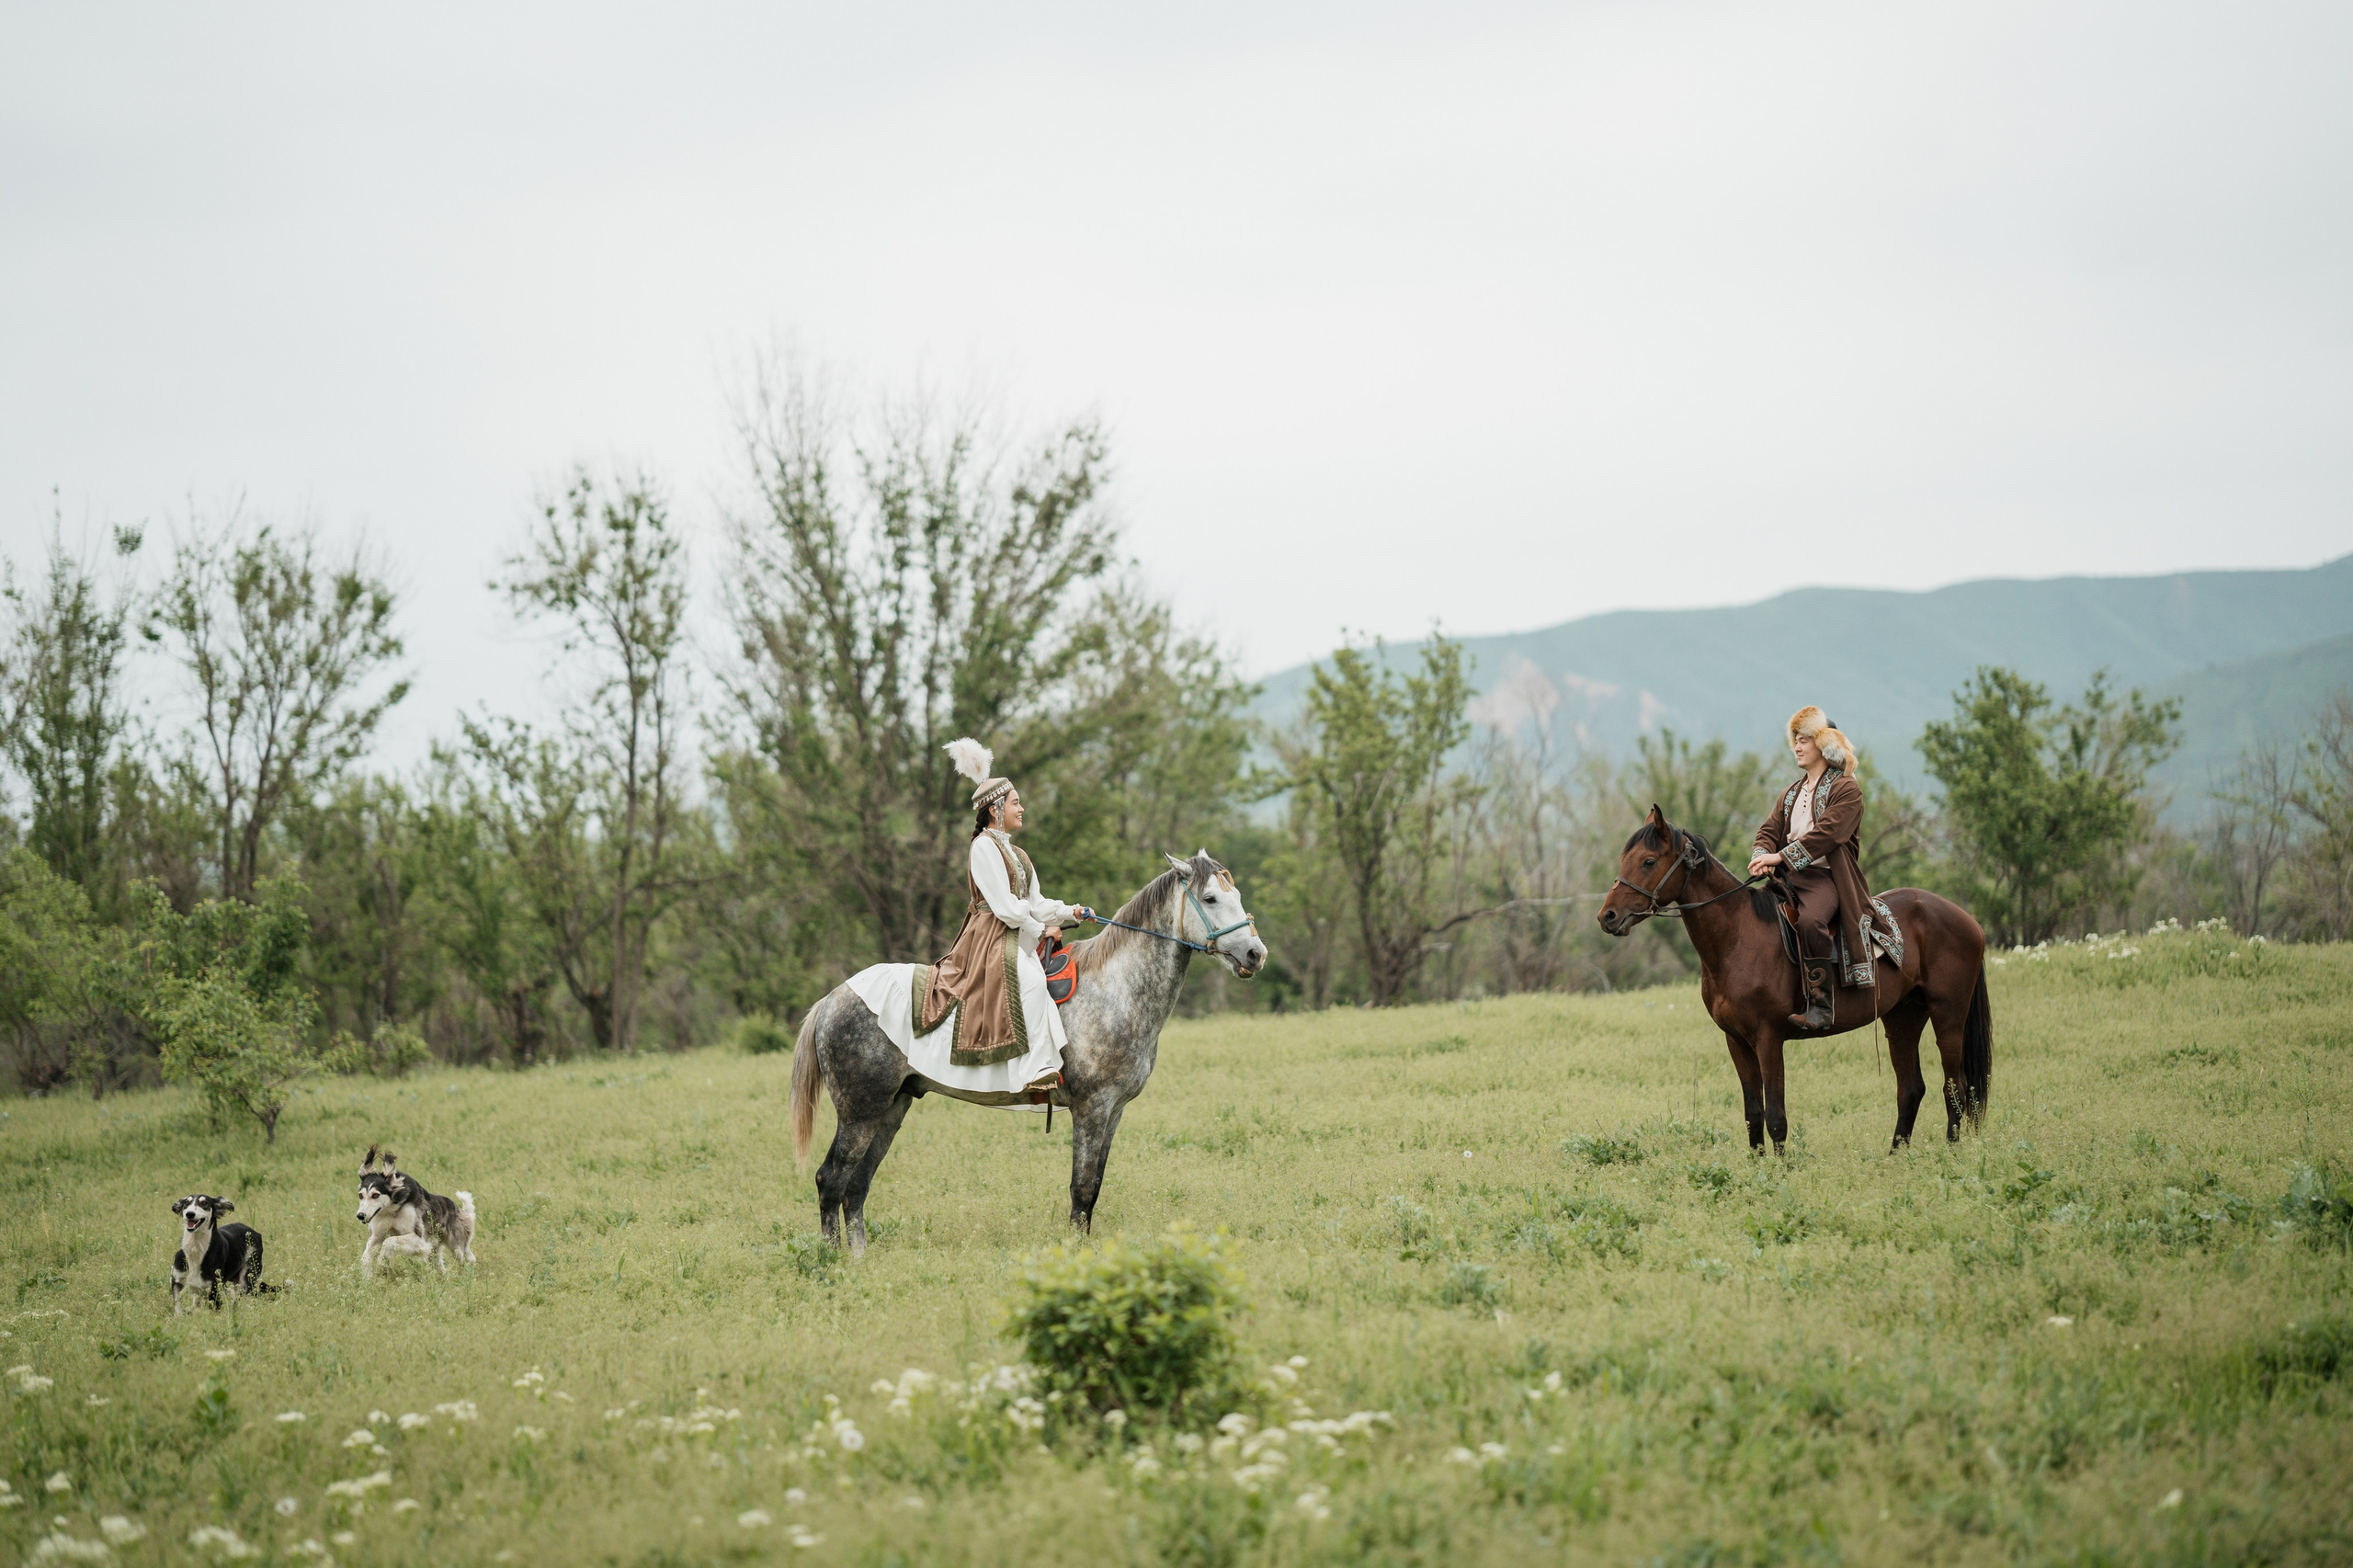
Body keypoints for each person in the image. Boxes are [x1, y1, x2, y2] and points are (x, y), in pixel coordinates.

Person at [842, 738, 1094, 1098]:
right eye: (1015, 802)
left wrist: (1071, 912)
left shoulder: (1018, 853)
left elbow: (1035, 901)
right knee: (1034, 984)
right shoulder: (983, 848)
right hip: (990, 939)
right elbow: (1006, 909)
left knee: (1038, 978)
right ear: (995, 809)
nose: (1022, 809)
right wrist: (1040, 927)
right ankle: (1037, 1069)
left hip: (1014, 933)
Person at [1747, 706, 1891, 1030]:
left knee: (1811, 922)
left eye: (1804, 740)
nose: (1797, 746)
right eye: (1795, 740)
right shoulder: (1790, 793)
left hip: (1828, 879)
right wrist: (1761, 854)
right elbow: (1769, 829)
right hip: (1789, 878)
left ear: (1824, 744)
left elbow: (1828, 834)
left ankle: (1821, 1006)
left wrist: (1780, 857)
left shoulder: (1847, 789)